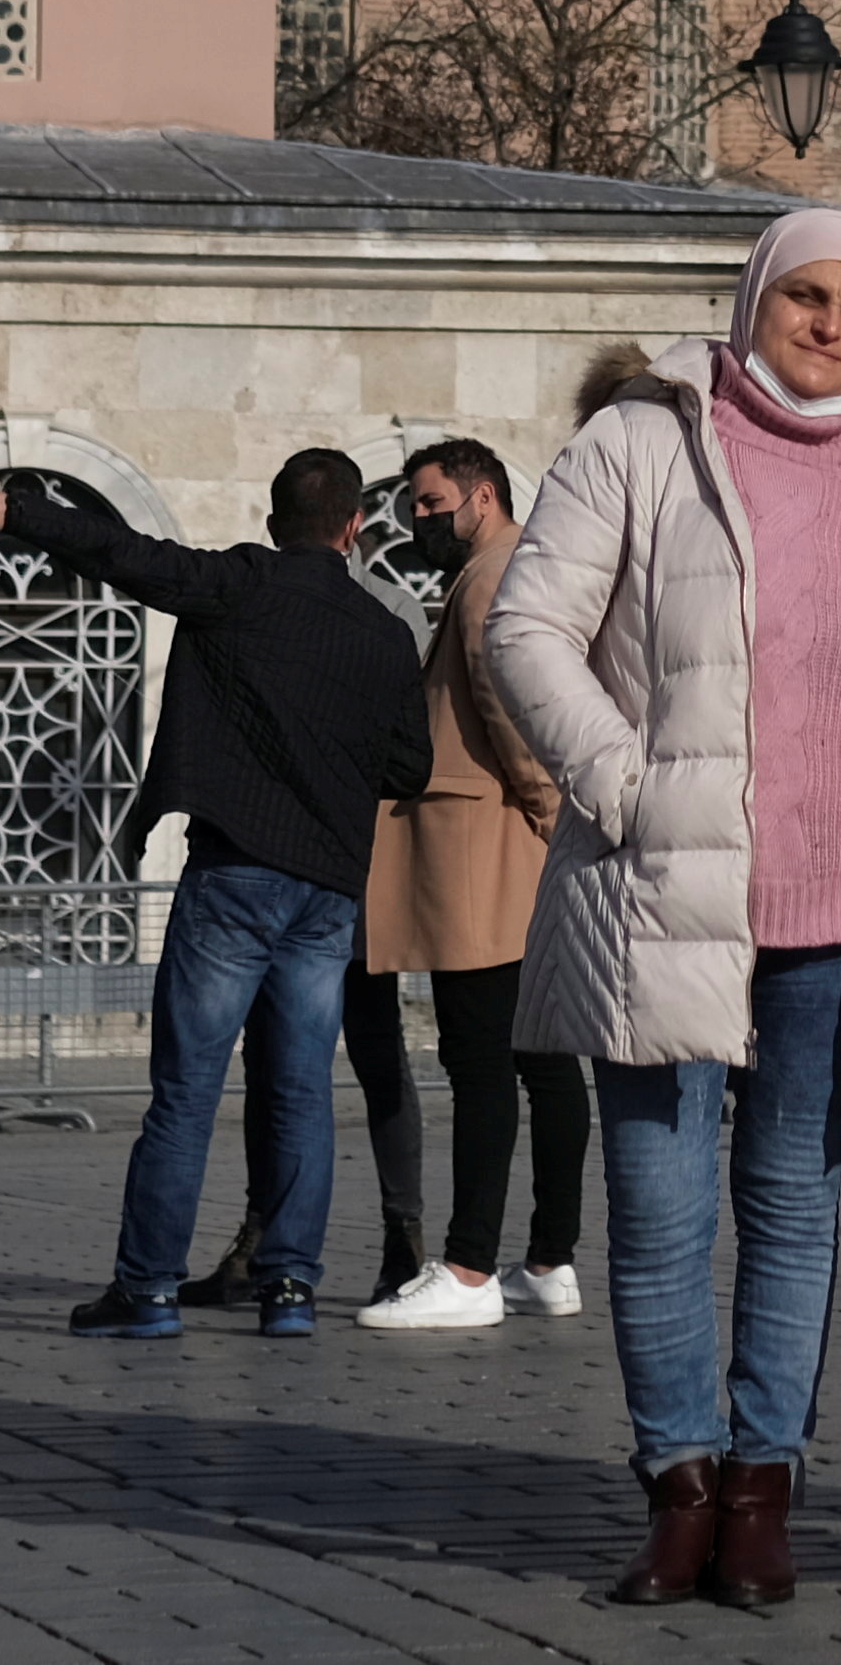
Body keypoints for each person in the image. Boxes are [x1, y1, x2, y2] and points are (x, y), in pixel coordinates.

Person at [487, 209, 841, 1615]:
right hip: (663, 888)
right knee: (662, 1202)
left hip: (833, 908)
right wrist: (623, 786)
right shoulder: (644, 438)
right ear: (753, 300)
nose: (827, 326)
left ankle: (762, 1495)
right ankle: (676, 1489)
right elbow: (524, 628)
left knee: (793, 1203)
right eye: (803, 296)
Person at [0, 450, 429, 1343]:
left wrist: (14, 512)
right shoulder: (385, 633)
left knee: (187, 1092)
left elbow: (126, 553)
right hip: (327, 895)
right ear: (355, 527)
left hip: (235, 877)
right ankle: (290, 1289)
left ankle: (149, 1289)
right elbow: (411, 766)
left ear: (275, 518)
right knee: (302, 1092)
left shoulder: (241, 582)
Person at [350, 437, 592, 1330]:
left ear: (482, 495)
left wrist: (540, 806)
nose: (419, 517)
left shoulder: (489, 578)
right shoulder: (513, 567)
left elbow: (510, 706)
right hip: (508, 850)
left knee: (481, 1062)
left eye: (431, 500)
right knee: (544, 1063)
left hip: (484, 849)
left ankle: (467, 1267)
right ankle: (549, 1259)